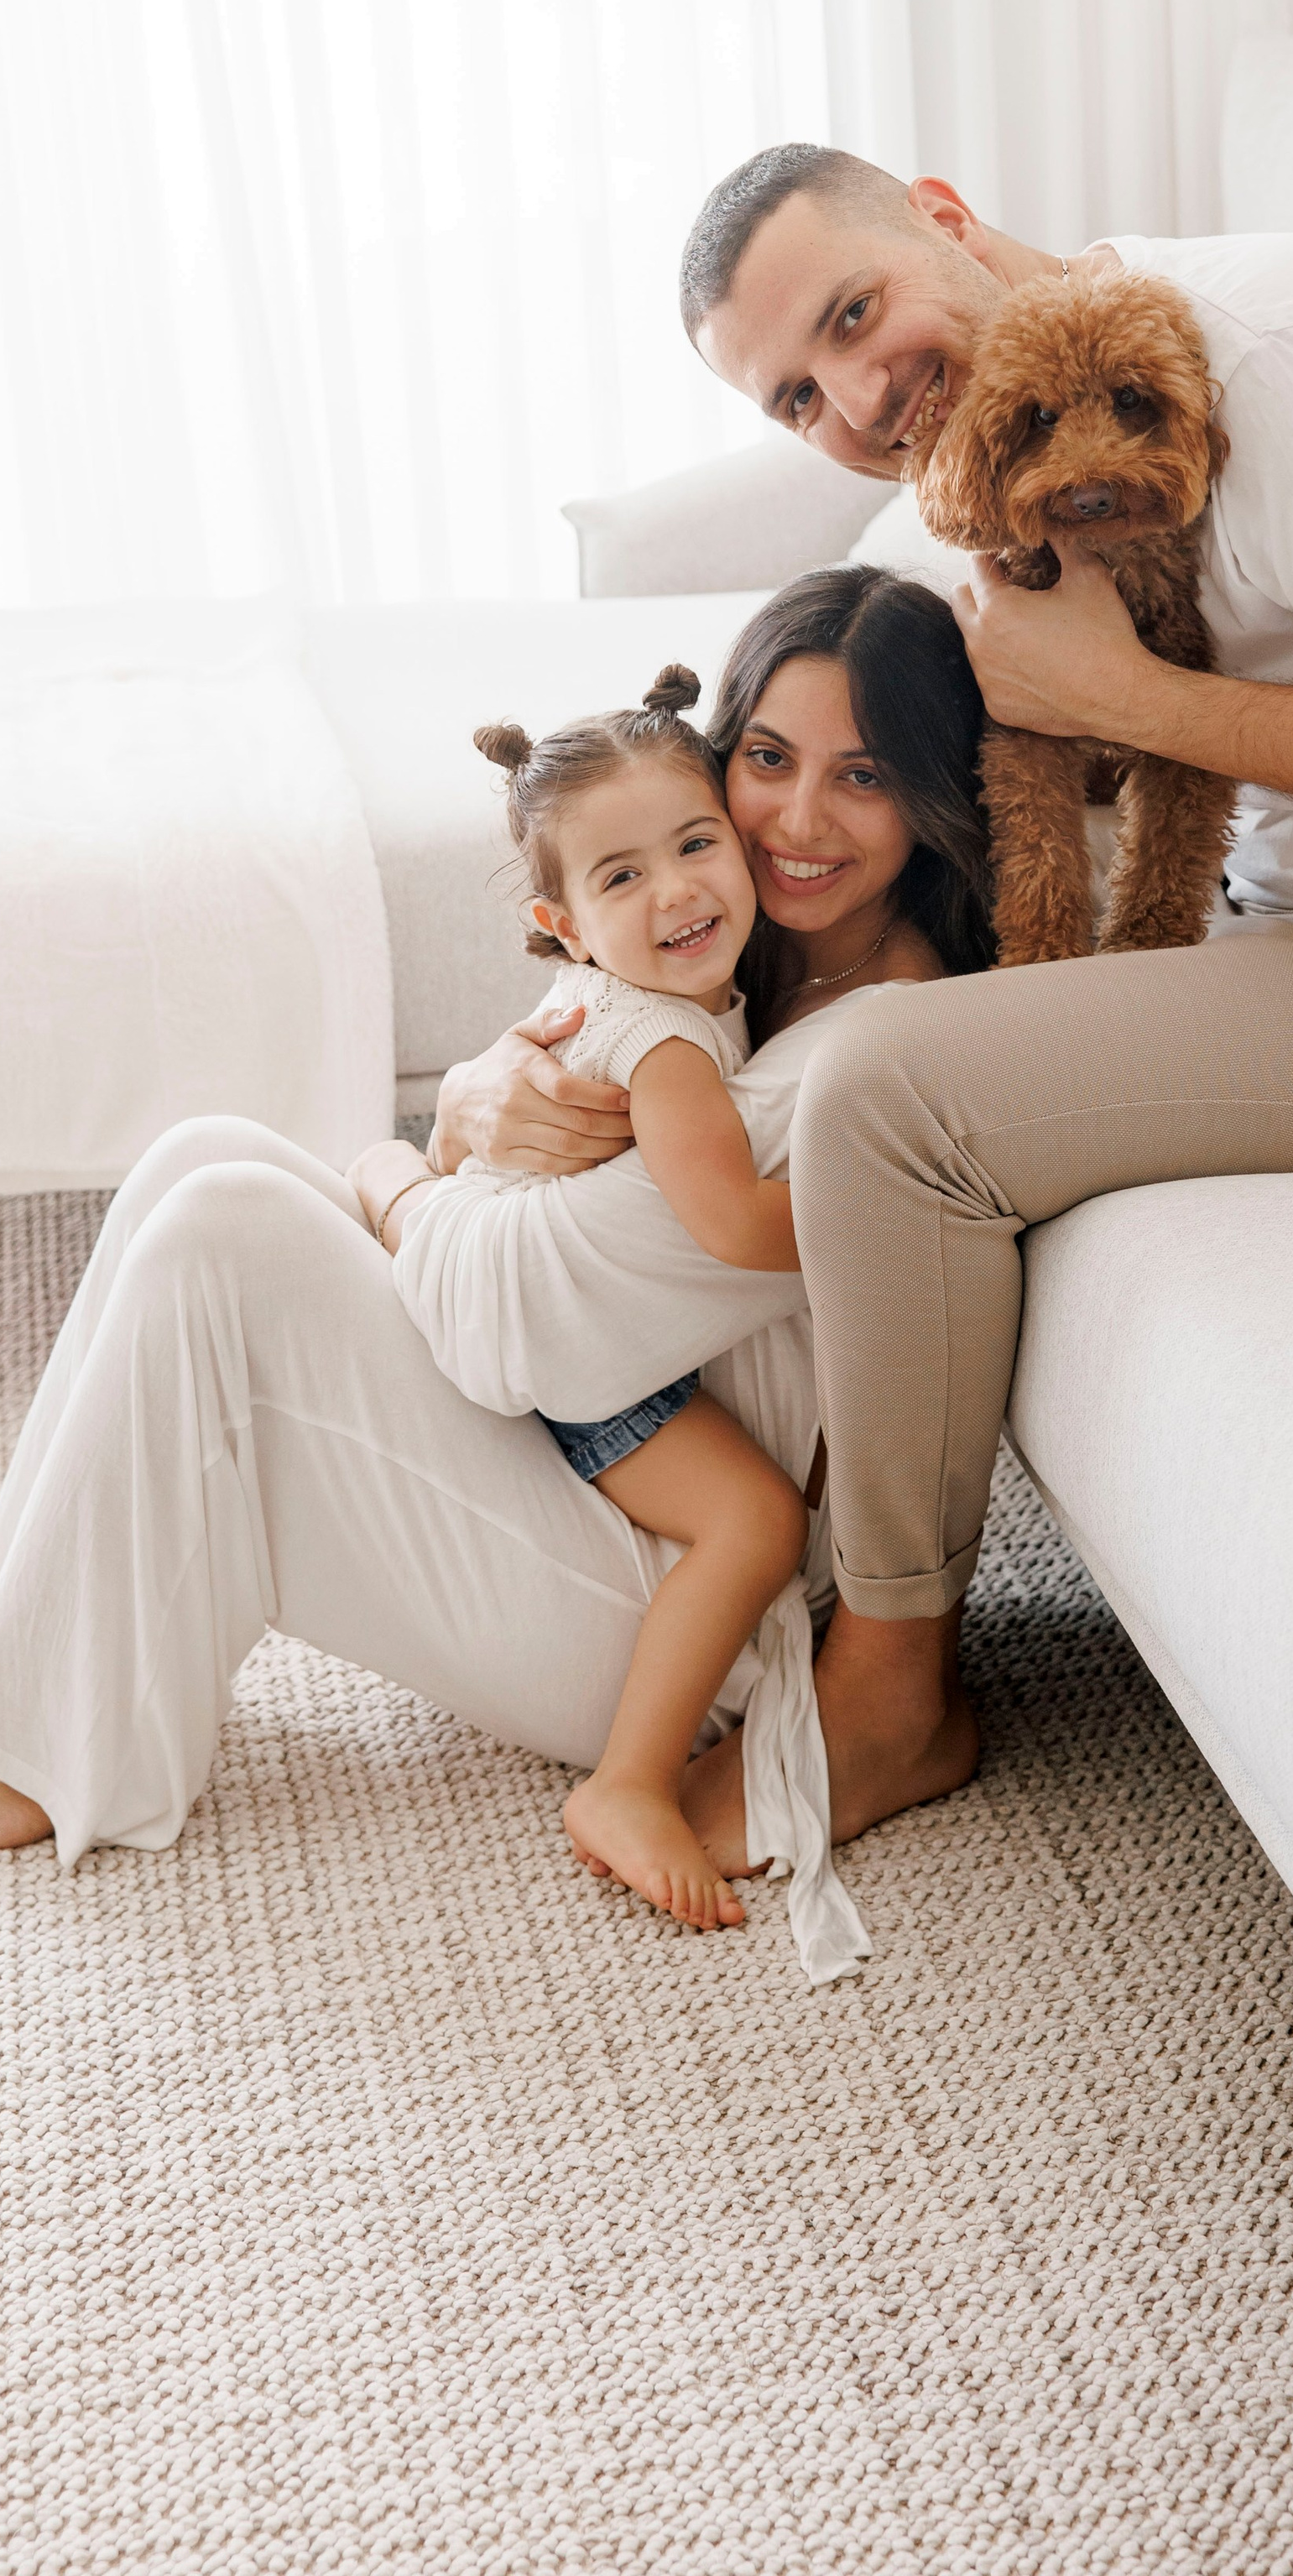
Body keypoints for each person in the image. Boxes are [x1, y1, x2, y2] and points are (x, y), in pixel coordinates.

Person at [439, 143, 1293, 1877]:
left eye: (853, 315)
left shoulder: (1285, 369)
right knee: (911, 1017)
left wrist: (1131, 701)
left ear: (943, 214)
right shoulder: (1013, 443)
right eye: (797, 397)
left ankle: (891, 1685)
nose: (855, 402)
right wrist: (539, 1062)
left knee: (890, 1093)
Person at [0, 567, 993, 1978]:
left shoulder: (859, 1054)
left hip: (694, 1621)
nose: (795, 820)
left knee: (232, 1230)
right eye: (767, 759)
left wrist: (398, 1169)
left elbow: (514, 1329)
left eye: (864, 776)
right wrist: (466, 1109)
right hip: (613, 1478)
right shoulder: (753, 970)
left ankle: (7, 1752)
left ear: (934, 801)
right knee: (202, 1158)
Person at [361, 662, 816, 1937]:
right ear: (560, 925)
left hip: (524, 1280)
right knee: (755, 1524)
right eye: (622, 877)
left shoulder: (634, 995)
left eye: (695, 844)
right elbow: (734, 1226)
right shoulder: (666, 1043)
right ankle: (629, 1784)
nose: (675, 891)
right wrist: (907, 1195)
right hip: (568, 1351)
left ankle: (384, 1182)